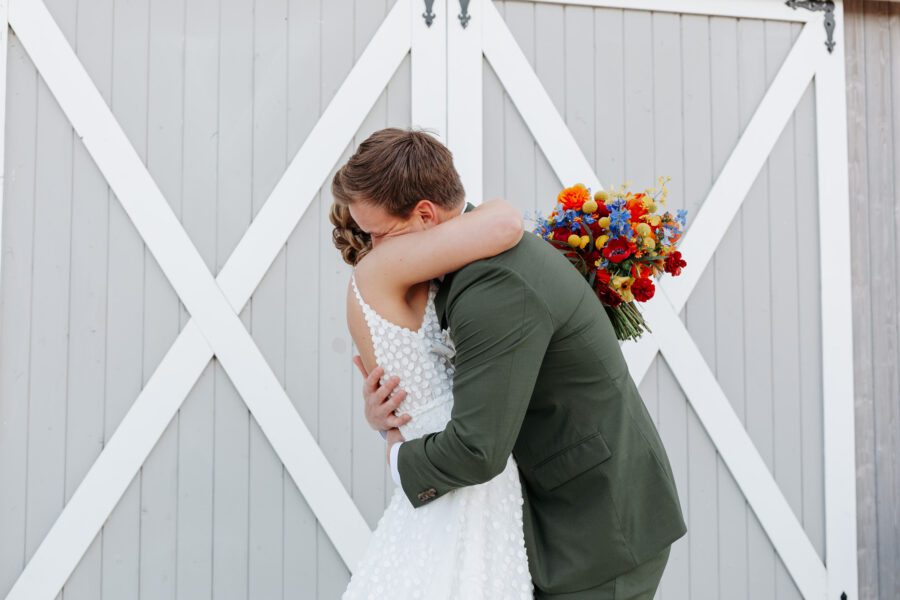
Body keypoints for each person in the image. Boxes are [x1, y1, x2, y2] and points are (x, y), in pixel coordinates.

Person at [335, 127, 687, 599]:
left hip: (598, 528)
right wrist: (390, 415)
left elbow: (476, 450)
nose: (375, 249)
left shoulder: (493, 290)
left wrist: (398, 456)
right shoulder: (469, 263)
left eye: (378, 233)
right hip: (553, 509)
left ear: (424, 215)